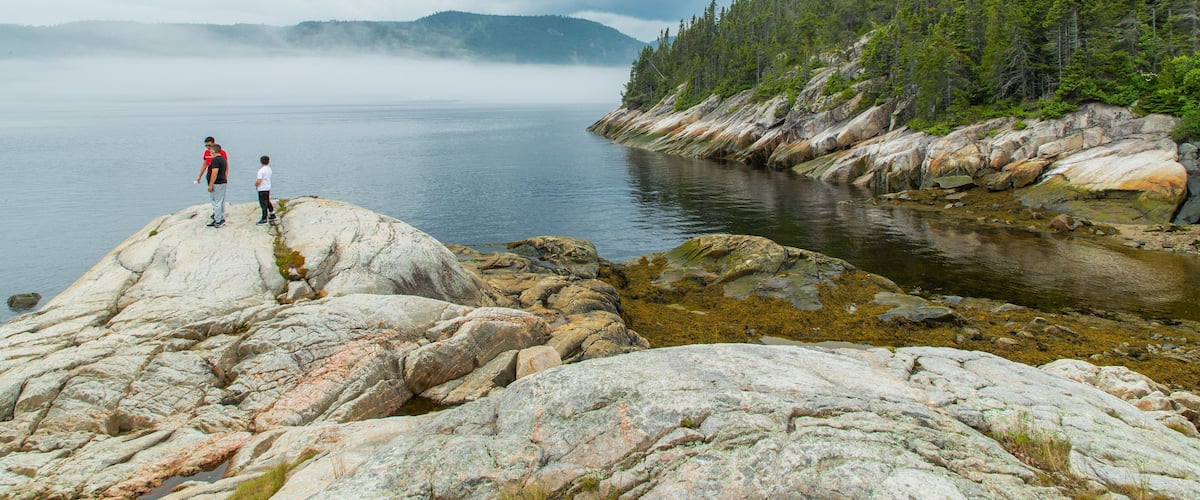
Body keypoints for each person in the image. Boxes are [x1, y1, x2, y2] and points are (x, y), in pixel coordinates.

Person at [206, 144, 229, 227]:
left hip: (217, 183)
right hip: (222, 182)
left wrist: (210, 185)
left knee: (216, 202)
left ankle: (218, 220)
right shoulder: (223, 159)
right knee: (221, 201)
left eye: (210, 150)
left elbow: (214, 173)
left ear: (214, 151)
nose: (210, 152)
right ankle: (220, 217)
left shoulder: (216, 160)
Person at [255, 155, 277, 225]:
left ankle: (264, 218)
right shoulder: (269, 169)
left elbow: (259, 181)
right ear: (268, 161)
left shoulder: (261, 171)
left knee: (263, 204)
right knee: (267, 201)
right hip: (267, 187)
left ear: (261, 162)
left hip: (262, 189)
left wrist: (256, 185)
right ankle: (272, 214)